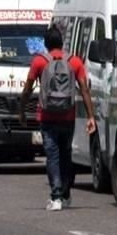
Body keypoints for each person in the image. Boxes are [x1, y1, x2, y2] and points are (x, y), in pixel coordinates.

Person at [20, 24, 96, 212]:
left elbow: (28, 88)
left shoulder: (39, 62)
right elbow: (84, 89)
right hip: (68, 116)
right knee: (66, 155)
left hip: (46, 116)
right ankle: (66, 193)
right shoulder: (75, 61)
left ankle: (56, 196)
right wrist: (91, 116)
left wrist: (22, 111)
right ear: (62, 43)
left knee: (52, 156)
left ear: (45, 44)